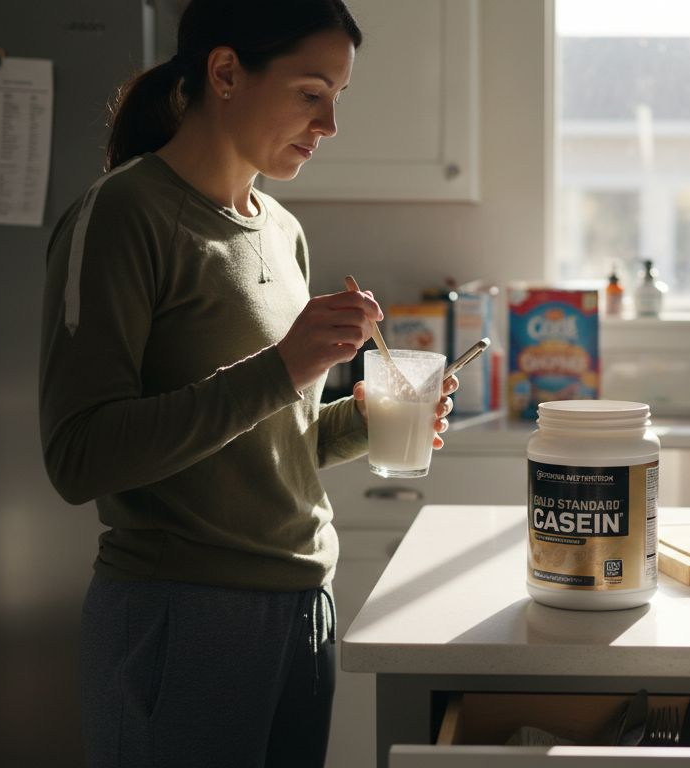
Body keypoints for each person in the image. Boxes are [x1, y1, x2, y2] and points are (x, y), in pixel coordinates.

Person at [37, 1, 456, 765]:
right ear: (225, 72)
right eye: (310, 91)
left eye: (338, 97)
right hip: (183, 615)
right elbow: (78, 456)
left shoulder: (281, 230)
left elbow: (265, 440)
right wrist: (282, 369)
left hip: (305, 608)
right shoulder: (125, 214)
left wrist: (365, 420)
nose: (329, 123)